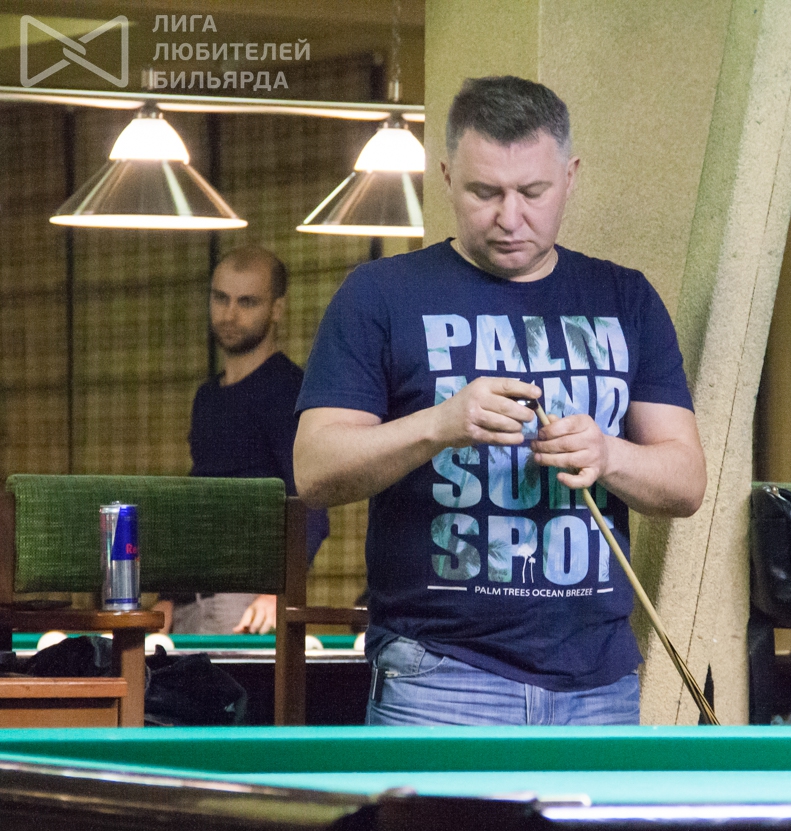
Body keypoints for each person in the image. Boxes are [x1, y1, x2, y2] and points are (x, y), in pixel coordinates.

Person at [294, 76, 706, 726]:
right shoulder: (380, 295)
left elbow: (685, 482)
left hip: (598, 681)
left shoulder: (624, 298)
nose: (509, 218)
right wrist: (439, 424)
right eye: (484, 192)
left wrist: (607, 454)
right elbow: (315, 470)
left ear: (569, 177)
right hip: (438, 675)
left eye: (532, 193)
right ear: (446, 177)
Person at [156, 245, 328, 635]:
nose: (229, 314)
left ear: (277, 309)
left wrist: (278, 593)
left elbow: (310, 501)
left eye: (247, 302)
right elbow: (199, 500)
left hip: (248, 601)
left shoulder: (290, 392)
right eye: (221, 298)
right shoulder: (207, 396)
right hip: (188, 601)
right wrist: (168, 595)